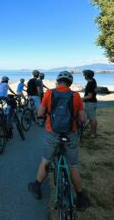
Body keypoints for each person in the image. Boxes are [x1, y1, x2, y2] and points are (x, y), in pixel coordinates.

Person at [28, 71, 90, 211]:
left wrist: (41, 116)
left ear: (58, 81)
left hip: (52, 133)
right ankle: (80, 196)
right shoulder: (76, 96)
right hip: (70, 134)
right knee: (73, 165)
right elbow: (83, 119)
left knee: (46, 159)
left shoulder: (49, 93)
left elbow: (40, 113)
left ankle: (36, 186)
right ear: (70, 83)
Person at [82, 69, 97, 138]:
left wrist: (80, 99)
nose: (83, 76)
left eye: (84, 75)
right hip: (92, 102)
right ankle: (85, 127)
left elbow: (89, 96)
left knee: (92, 119)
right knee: (90, 117)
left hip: (90, 103)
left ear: (87, 76)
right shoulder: (93, 80)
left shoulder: (90, 84)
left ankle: (93, 134)